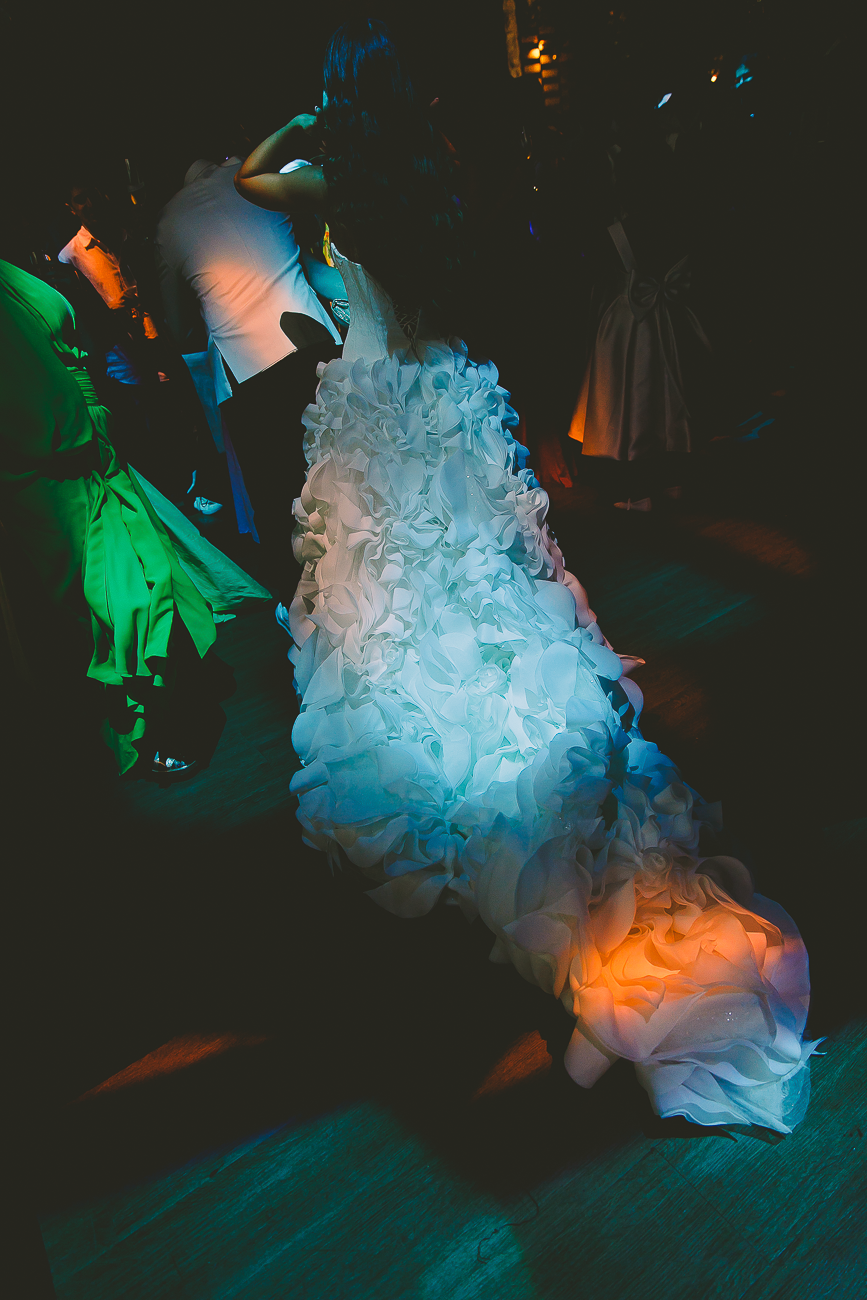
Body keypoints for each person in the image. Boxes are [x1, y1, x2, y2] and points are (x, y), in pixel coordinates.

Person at [235, 19, 816, 1132]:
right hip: (446, 405)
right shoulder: (427, 178)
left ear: (337, 102)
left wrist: (311, 121)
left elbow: (258, 172)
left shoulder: (326, 182)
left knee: (395, 611)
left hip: (371, 421)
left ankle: (462, 789)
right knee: (491, 592)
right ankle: (539, 782)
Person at [0, 258, 229, 776]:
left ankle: (165, 705)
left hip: (86, 446)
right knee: (110, 596)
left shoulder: (12, 274)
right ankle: (141, 726)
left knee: (145, 571)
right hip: (52, 469)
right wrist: (81, 435)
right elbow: (27, 404)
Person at [154, 131, 342, 603]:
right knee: (344, 479)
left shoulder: (170, 220)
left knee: (280, 501)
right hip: (313, 344)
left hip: (248, 373)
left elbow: (176, 328)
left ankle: (305, 613)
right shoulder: (257, 177)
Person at [567, 97, 713, 510]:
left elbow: (600, 272)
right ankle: (673, 478)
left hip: (629, 325)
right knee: (667, 403)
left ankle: (638, 487)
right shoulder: (680, 221)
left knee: (630, 405)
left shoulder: (618, 231)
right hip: (671, 319)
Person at [57, 175, 229, 512]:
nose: (88, 205)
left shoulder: (120, 235)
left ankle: (195, 483)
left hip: (156, 340)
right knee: (151, 427)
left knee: (181, 418)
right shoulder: (71, 256)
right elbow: (87, 320)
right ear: (71, 207)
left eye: (92, 195)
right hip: (123, 358)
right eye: (80, 199)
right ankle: (174, 495)